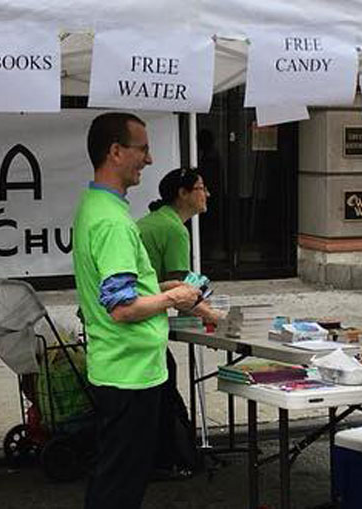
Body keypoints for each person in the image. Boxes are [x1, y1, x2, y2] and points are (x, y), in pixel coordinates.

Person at [72, 113, 201, 509]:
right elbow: (122, 307)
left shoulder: (97, 207)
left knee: (116, 475)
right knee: (121, 483)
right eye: (142, 149)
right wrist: (172, 299)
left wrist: (161, 287)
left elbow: (119, 289)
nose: (148, 159)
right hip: (129, 372)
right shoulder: (112, 222)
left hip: (119, 368)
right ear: (115, 152)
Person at [136, 167, 224, 479]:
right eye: (201, 188)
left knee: (162, 383)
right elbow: (179, 290)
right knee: (162, 385)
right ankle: (164, 457)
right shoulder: (173, 229)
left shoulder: (159, 222)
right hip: (134, 324)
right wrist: (214, 316)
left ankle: (165, 454)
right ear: (183, 194)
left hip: (135, 318)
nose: (207, 194)